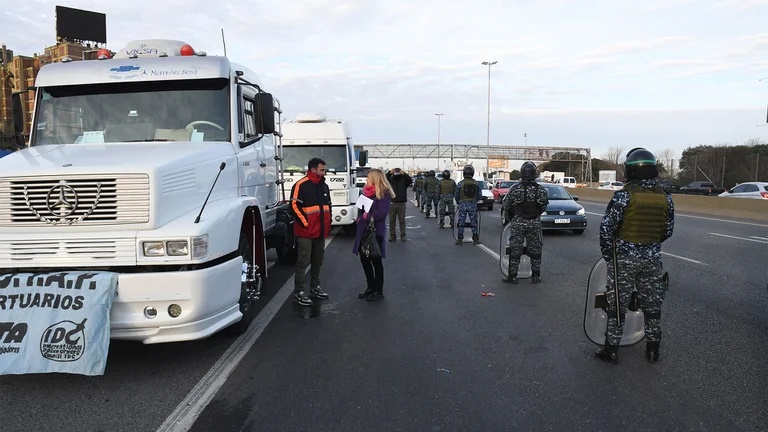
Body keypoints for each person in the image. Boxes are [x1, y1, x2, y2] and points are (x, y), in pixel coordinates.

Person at [595, 147, 675, 364]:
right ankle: (652, 349)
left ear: (630, 170)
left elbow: (606, 229)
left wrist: (610, 255)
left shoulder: (624, 196)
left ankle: (611, 349)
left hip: (623, 258)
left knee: (617, 306)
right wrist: (649, 246)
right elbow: (668, 231)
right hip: (652, 258)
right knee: (652, 306)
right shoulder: (665, 198)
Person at [290, 157, 332, 306]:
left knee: (318, 261)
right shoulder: (301, 185)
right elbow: (294, 206)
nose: (324, 172)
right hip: (306, 233)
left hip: (320, 232)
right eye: (322, 169)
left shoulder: (324, 186)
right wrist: (306, 224)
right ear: (313, 170)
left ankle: (315, 287)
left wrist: (329, 223)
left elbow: (328, 206)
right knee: (303, 262)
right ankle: (299, 292)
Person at [501, 161, 548, 284]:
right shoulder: (541, 190)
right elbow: (543, 207)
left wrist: (511, 217)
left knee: (515, 249)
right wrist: (535, 215)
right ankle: (536, 276)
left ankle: (513, 277)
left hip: (518, 223)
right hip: (534, 223)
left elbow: (506, 205)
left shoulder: (515, 189)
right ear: (534, 174)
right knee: (535, 250)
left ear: (522, 173)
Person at [352, 169, 394, 301]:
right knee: (364, 259)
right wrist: (360, 216)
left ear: (375, 178)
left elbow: (382, 212)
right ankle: (370, 287)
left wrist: (368, 216)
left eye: (368, 177)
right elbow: (361, 208)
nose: (366, 180)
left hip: (375, 230)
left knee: (376, 260)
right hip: (363, 230)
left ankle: (378, 290)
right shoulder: (365, 192)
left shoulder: (384, 193)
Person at [454, 165, 482, 245]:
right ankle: (475, 238)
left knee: (461, 221)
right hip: (473, 204)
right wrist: (474, 201)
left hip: (463, 204)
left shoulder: (460, 184)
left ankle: (460, 238)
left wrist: (459, 202)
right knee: (474, 221)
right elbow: (479, 194)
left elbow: (456, 195)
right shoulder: (476, 183)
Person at [386, 168, 412, 242]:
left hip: (401, 203)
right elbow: (384, 179)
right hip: (392, 202)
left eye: (398, 172)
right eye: (395, 172)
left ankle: (403, 235)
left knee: (402, 220)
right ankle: (392, 235)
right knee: (392, 220)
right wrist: (390, 172)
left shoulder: (403, 180)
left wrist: (404, 173)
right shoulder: (390, 180)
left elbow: (410, 180)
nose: (396, 173)